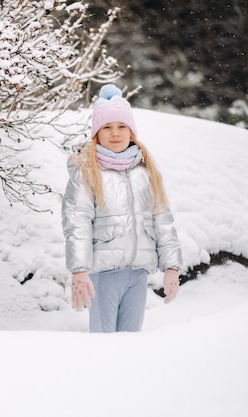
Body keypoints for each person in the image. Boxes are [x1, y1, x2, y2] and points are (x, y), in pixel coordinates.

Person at [61, 84, 183, 332]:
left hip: (138, 275)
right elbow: (77, 223)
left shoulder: (145, 172)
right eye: (106, 127)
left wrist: (171, 267)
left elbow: (163, 221)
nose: (115, 134)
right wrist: (80, 271)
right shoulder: (87, 172)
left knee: (130, 343)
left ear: (131, 132)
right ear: (97, 133)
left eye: (121, 127)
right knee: (104, 342)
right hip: (103, 276)